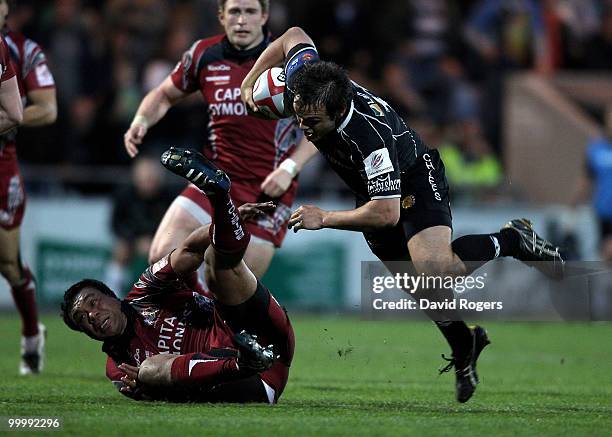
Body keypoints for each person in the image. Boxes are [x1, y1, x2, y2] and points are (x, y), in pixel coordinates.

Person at [240, 26, 565, 403]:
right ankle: (465, 343)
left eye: (312, 123)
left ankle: (513, 239)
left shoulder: (368, 136)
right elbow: (292, 35)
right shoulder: (306, 83)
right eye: (298, 116)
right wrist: (249, 84)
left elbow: (385, 214)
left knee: (434, 270)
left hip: (412, 178)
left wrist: (324, 217)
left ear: (338, 110)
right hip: (372, 188)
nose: (303, 128)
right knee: (419, 287)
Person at [61, 148, 294, 403]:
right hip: (254, 381)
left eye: (94, 303)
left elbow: (189, 250)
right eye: (82, 319)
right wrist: (148, 389)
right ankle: (244, 362)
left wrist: (227, 220)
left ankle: (220, 200)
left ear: (112, 295)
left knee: (213, 261)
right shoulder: (117, 367)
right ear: (86, 333)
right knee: (149, 372)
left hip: (262, 331)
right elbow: (158, 393)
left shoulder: (145, 291)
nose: (93, 316)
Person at [123, 0, 317, 280]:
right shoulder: (204, 54)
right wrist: (141, 121)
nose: (241, 20)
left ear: (264, 16)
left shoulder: (288, 62)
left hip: (266, 193)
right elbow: (164, 94)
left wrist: (289, 169)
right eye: (234, 12)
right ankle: (191, 320)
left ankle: (224, 320)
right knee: (162, 258)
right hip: (214, 181)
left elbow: (321, 127)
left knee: (228, 285)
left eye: (250, 12)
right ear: (221, 16)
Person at [0, 0, 57, 375]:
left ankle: (31, 336)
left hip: (3, 163)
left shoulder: (23, 50)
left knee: (7, 262)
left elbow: (47, 109)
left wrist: (8, 114)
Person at [104, 156, 175, 294]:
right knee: (121, 249)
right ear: (136, 177)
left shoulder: (168, 197)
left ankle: (168, 292)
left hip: (158, 242)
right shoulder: (124, 195)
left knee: (171, 252)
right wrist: (134, 241)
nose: (148, 183)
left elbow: (172, 226)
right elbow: (116, 224)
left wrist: (155, 241)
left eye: (151, 178)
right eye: (144, 178)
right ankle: (112, 290)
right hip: (132, 241)